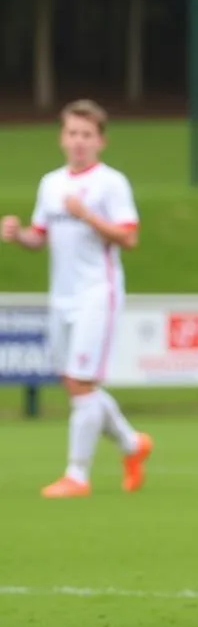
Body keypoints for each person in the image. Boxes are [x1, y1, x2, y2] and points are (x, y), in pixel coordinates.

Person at [1, 100, 152, 497]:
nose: (79, 141)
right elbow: (41, 238)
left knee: (83, 383)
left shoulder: (110, 183)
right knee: (75, 385)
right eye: (72, 133)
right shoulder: (51, 184)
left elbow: (129, 237)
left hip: (97, 294)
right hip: (61, 296)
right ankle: (133, 445)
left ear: (100, 141)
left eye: (87, 134)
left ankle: (77, 475)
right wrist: (18, 236)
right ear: (61, 138)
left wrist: (86, 215)